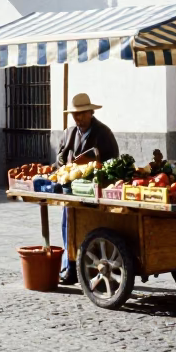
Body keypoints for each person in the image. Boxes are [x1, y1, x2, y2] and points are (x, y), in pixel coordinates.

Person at [56, 93, 119, 285]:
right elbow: (59, 158)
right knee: (69, 228)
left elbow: (112, 163)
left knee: (91, 228)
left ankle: (88, 267)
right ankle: (70, 267)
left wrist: (93, 169)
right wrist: (65, 168)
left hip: (94, 192)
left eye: (82, 114)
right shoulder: (69, 133)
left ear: (91, 113)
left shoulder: (103, 133)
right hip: (71, 192)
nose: (79, 118)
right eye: (75, 115)